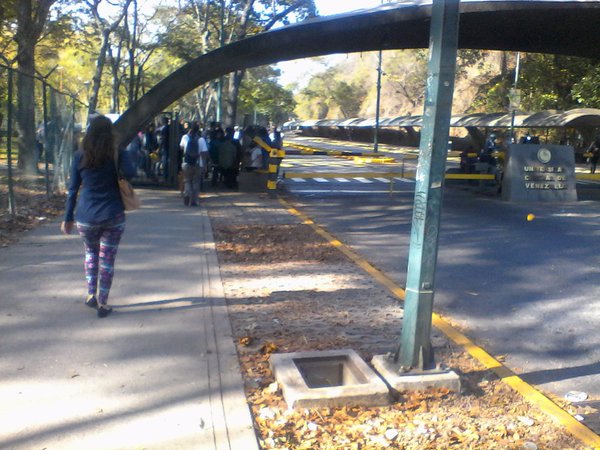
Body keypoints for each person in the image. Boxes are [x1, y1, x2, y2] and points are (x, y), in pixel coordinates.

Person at [60, 115, 136, 318]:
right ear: (110, 132)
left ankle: (90, 293)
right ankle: (103, 303)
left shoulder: (79, 155)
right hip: (113, 214)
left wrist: (67, 218)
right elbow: (131, 172)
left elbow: (72, 189)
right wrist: (122, 156)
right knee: (107, 260)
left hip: (86, 216)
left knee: (91, 254)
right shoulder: (117, 153)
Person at [180, 123, 208, 206]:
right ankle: (194, 201)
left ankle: (187, 194)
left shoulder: (185, 137)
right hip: (198, 163)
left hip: (187, 163)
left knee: (187, 180)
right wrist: (205, 165)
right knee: (196, 182)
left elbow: (181, 147)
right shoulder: (201, 139)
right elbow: (204, 153)